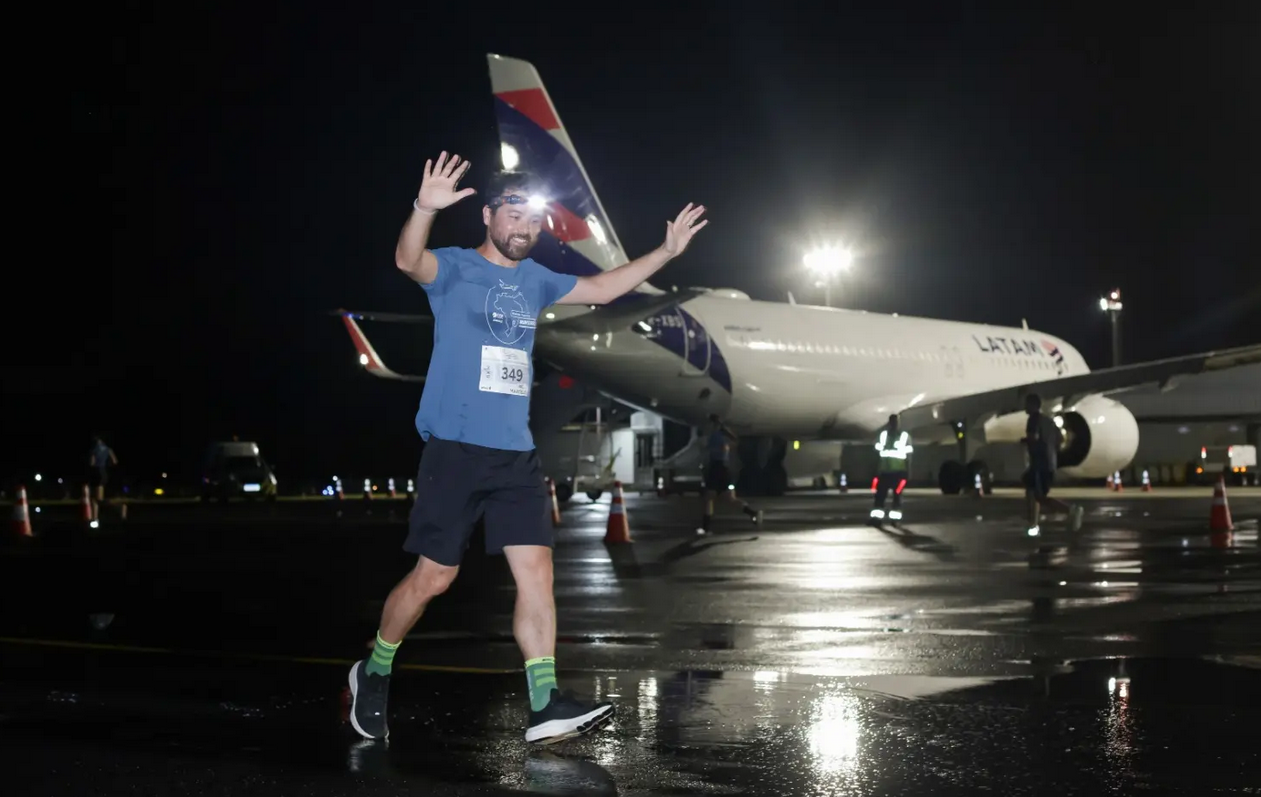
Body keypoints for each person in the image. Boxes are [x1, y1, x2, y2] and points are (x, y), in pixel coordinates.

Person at [347, 152, 708, 744]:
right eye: (514, 215)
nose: (525, 228)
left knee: (537, 574)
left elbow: (600, 288)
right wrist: (422, 209)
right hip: (456, 450)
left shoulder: (537, 277)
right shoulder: (458, 270)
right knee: (434, 578)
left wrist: (664, 252)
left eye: (533, 220)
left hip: (516, 454)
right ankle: (375, 670)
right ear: (488, 216)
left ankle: (543, 703)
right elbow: (407, 259)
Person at [1022, 393, 1084, 536]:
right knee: (1031, 490)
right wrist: (1051, 448)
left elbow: (1033, 437)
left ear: (1033, 405)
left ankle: (1071, 510)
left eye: (1026, 404)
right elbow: (1061, 438)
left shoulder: (1033, 419)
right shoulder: (1048, 421)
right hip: (1049, 463)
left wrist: (1025, 441)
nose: (1024, 407)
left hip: (1040, 463)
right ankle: (1033, 524)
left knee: (1039, 496)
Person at [697, 414, 762, 535]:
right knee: (729, 499)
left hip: (717, 468)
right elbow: (732, 443)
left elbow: (712, 452)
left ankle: (706, 527)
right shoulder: (722, 436)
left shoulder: (715, 437)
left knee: (710, 497)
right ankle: (752, 513)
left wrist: (705, 466)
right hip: (722, 469)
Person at [870, 414, 911, 525]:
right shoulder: (883, 436)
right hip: (885, 472)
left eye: (895, 422)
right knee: (880, 496)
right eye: (892, 422)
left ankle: (895, 520)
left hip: (898, 472)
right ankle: (877, 519)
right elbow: (877, 453)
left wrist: (907, 472)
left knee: (896, 497)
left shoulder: (904, 436)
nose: (894, 424)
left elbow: (908, 455)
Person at [87, 435, 118, 519]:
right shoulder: (108, 449)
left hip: (96, 472)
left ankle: (117, 506)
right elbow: (115, 461)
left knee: (96, 499)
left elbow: (92, 463)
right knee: (97, 498)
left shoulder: (93, 450)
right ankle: (95, 517)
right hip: (104, 472)